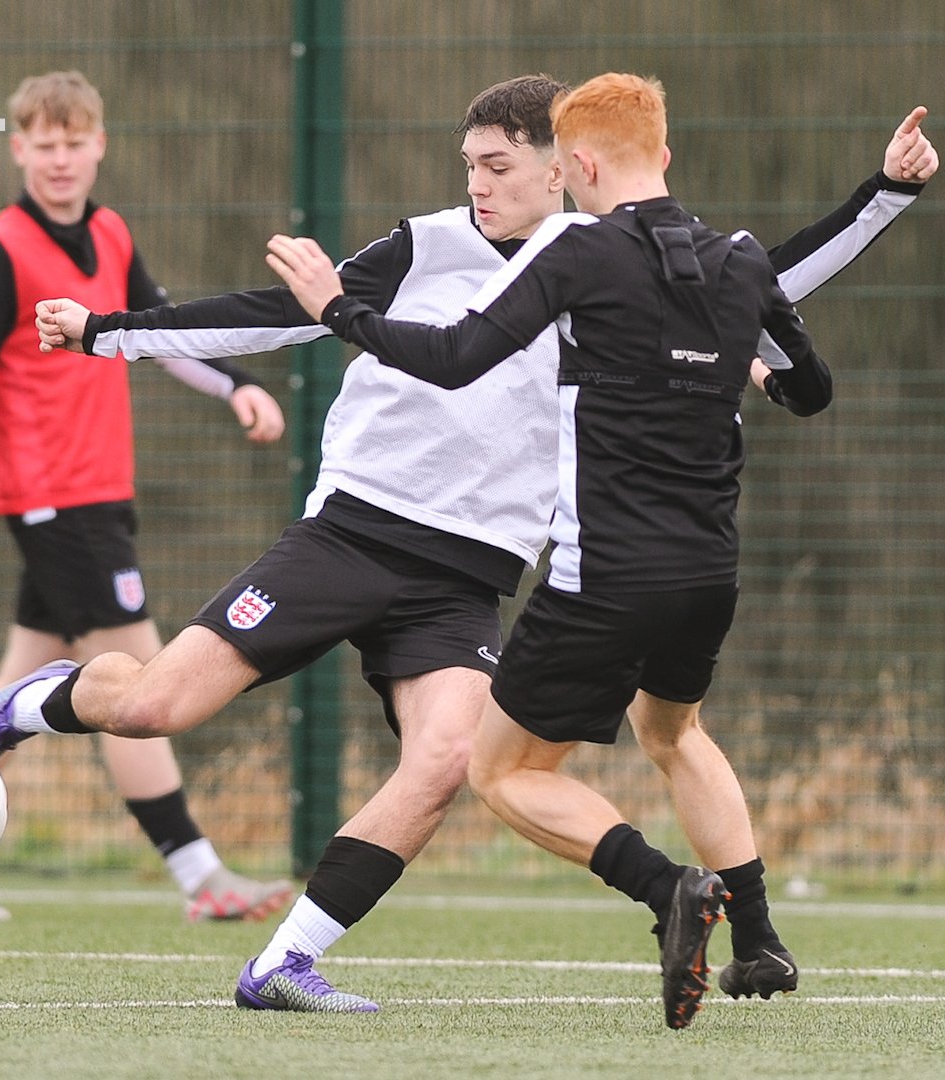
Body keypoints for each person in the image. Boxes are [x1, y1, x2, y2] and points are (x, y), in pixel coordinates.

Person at [0, 75, 931, 1016]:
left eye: (499, 166)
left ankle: (285, 963)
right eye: (469, 164)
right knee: (154, 707)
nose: (477, 184)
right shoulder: (426, 248)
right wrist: (108, 331)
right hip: (351, 535)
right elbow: (279, 316)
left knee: (449, 761)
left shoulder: (621, 267)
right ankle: (26, 709)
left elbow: (767, 281)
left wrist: (884, 195)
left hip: (468, 576)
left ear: (567, 170)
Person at [260, 71, 901, 1027]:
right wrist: (760, 369)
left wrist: (335, 312)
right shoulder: (734, 261)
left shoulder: (578, 253)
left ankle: (670, 886)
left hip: (602, 577)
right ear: (668, 154)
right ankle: (760, 936)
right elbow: (811, 389)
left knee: (498, 771)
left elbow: (454, 358)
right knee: (674, 732)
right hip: (708, 574)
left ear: (583, 164)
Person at [0, 70, 292, 924]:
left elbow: (157, 333)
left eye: (76, 143)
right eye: (45, 144)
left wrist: (233, 387)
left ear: (99, 146)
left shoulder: (110, 231)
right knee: (135, 684)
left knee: (13, 693)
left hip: (102, 493)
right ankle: (201, 877)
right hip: (50, 500)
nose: (61, 159)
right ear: (18, 148)